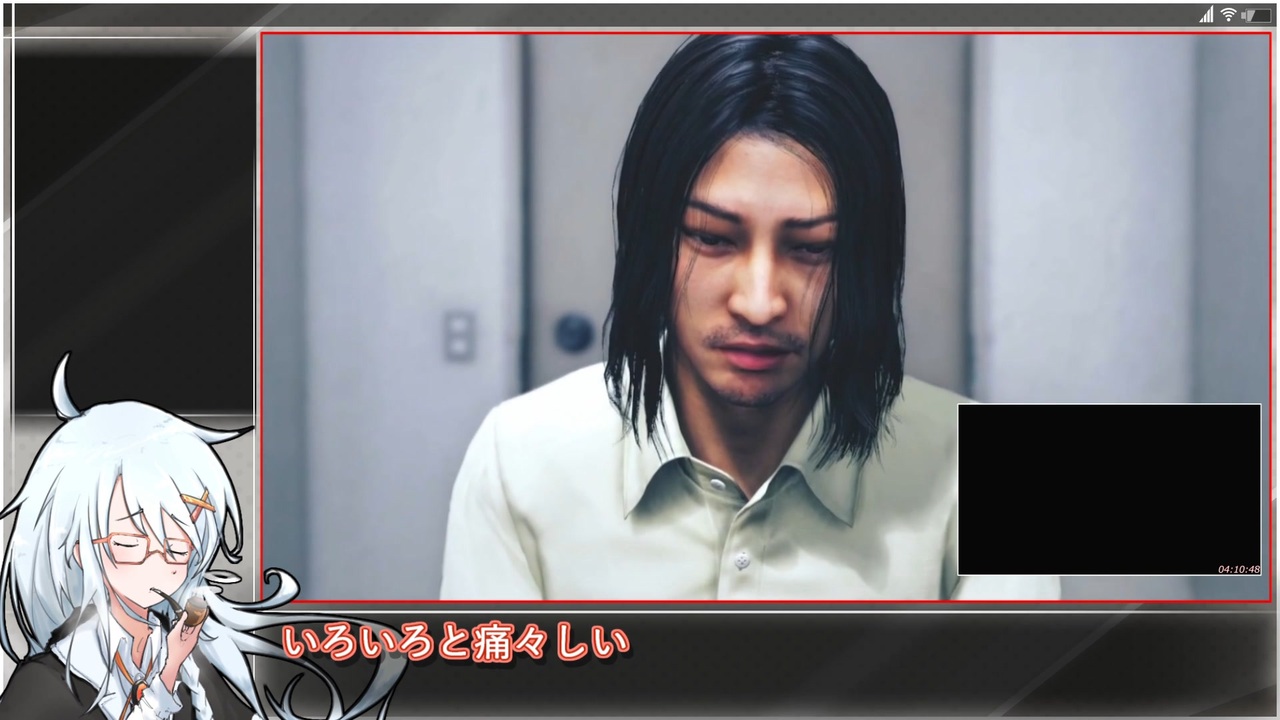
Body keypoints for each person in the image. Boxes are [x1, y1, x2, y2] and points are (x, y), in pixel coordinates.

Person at [439, 34, 1060, 601]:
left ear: (864, 261)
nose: (760, 303)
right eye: (712, 238)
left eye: (812, 248)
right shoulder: (516, 456)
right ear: (651, 240)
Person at [0, 353, 406, 719]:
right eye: (129, 544)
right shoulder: (47, 685)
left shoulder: (192, 661)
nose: (158, 564)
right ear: (79, 548)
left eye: (177, 547)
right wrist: (168, 673)